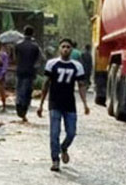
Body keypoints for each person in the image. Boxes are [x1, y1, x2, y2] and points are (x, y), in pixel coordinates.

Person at [36, 38, 90, 171]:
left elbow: (81, 85)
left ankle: (64, 147)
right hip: (54, 102)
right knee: (54, 132)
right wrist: (41, 104)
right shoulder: (52, 64)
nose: (66, 49)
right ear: (59, 49)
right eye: (63, 46)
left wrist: (85, 103)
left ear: (72, 49)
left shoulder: (77, 66)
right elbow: (46, 84)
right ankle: (55, 159)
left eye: (68, 47)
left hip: (69, 103)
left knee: (71, 132)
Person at [13, 27, 43, 122]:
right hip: (30, 71)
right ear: (32, 33)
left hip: (19, 70)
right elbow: (39, 60)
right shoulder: (35, 47)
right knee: (27, 91)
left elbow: (14, 58)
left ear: (23, 33)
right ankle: (24, 108)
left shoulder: (18, 45)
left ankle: (18, 103)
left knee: (19, 88)